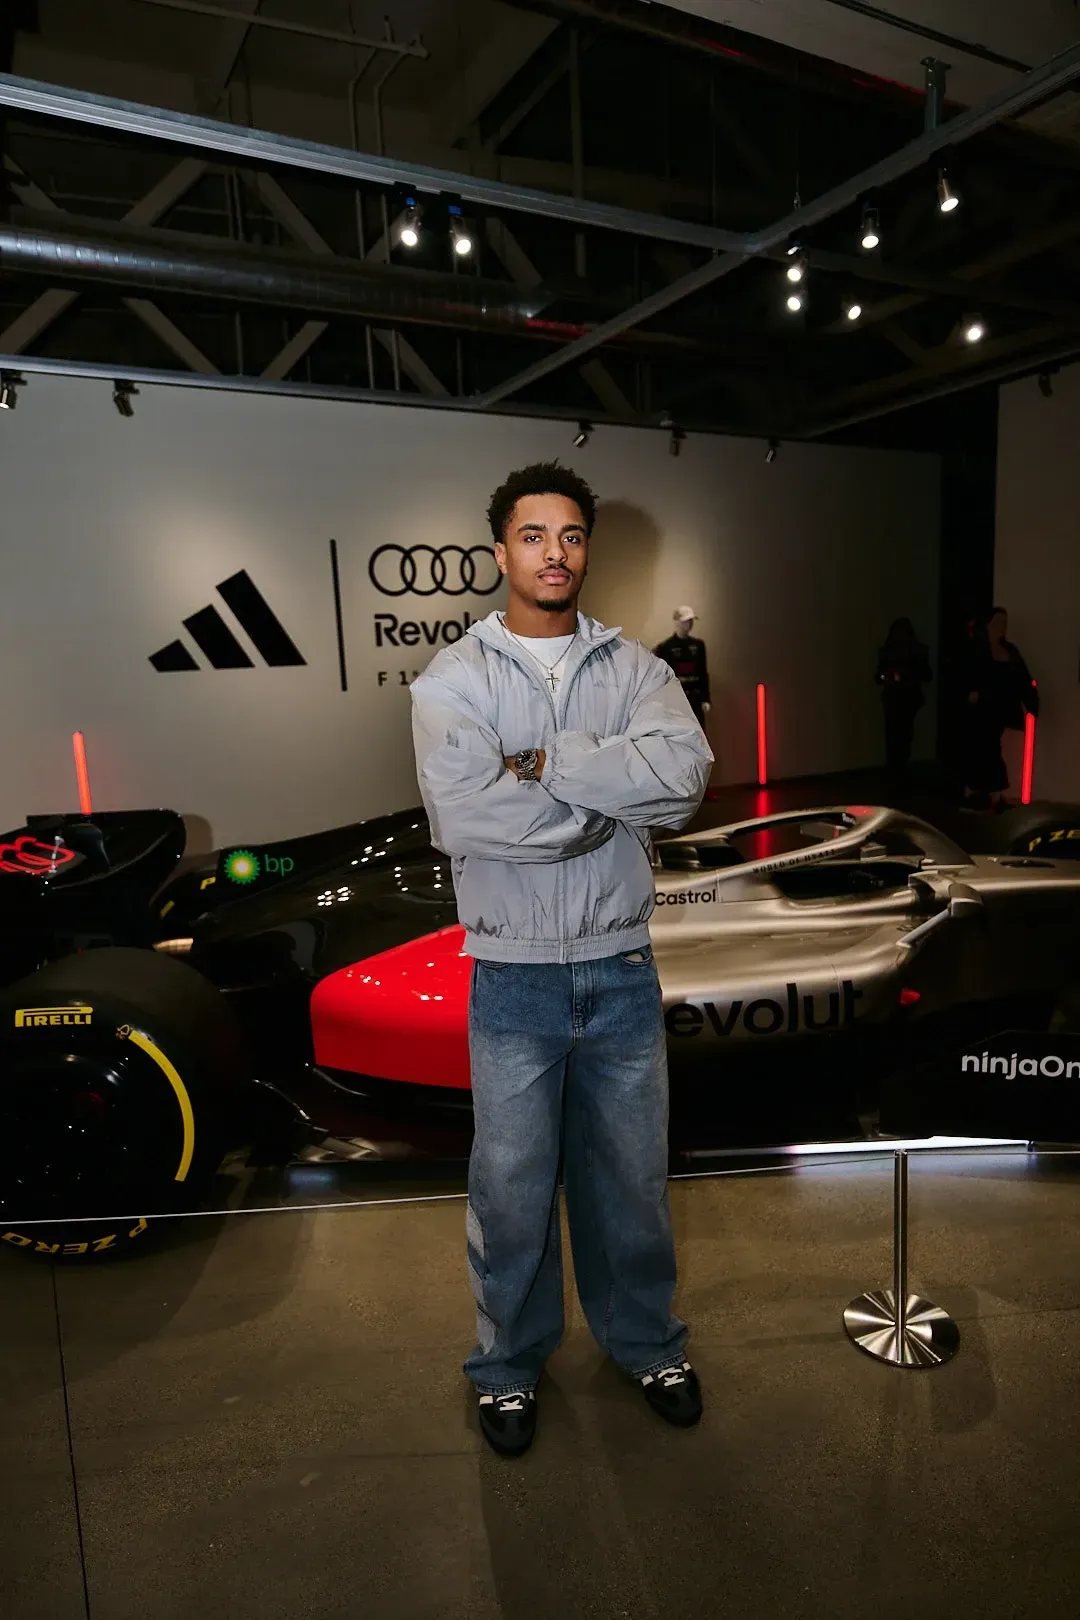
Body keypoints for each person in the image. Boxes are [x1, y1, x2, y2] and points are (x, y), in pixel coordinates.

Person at [411, 461, 713, 1457]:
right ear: (501, 550)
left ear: (587, 549)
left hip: (621, 967)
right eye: (534, 535)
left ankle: (646, 1344)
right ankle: (506, 1365)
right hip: (513, 974)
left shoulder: (639, 670)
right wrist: (602, 804)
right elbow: (467, 817)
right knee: (510, 1193)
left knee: (633, 1184)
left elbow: (682, 782)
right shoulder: (453, 679)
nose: (555, 553)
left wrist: (545, 763)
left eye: (572, 535)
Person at [960, 607, 1038, 812]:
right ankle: (982, 793)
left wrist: (1032, 703)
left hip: (1001, 708)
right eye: (997, 623)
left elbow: (1023, 678)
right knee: (984, 748)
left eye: (1004, 623)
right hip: (982, 709)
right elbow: (964, 675)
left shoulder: (1009, 651)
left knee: (992, 748)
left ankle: (991, 794)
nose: (1002, 627)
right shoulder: (977, 649)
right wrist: (971, 694)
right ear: (987, 625)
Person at [875, 618, 931, 779]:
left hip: (905, 699)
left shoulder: (911, 651)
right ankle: (897, 769)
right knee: (899, 736)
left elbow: (926, 675)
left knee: (900, 736)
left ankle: (898, 769)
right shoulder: (893, 651)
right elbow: (878, 677)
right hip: (898, 699)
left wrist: (899, 676)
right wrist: (889, 676)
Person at [654, 607, 711, 727]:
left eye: (691, 621)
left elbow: (703, 673)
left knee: (697, 731)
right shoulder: (665, 647)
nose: (689, 624)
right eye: (686, 621)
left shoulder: (698, 645)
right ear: (677, 622)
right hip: (675, 699)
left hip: (695, 698)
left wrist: (705, 698)